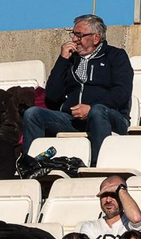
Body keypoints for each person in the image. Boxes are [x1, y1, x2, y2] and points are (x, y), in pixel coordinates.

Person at [24, 13, 134, 165]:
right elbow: (51, 97)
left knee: (97, 111)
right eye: (73, 34)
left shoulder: (116, 56)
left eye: (79, 35)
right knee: (33, 114)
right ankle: (30, 165)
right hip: (72, 120)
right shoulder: (71, 60)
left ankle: (98, 165)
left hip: (110, 117)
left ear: (96, 38)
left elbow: (121, 93)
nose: (74, 39)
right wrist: (62, 60)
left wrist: (91, 108)